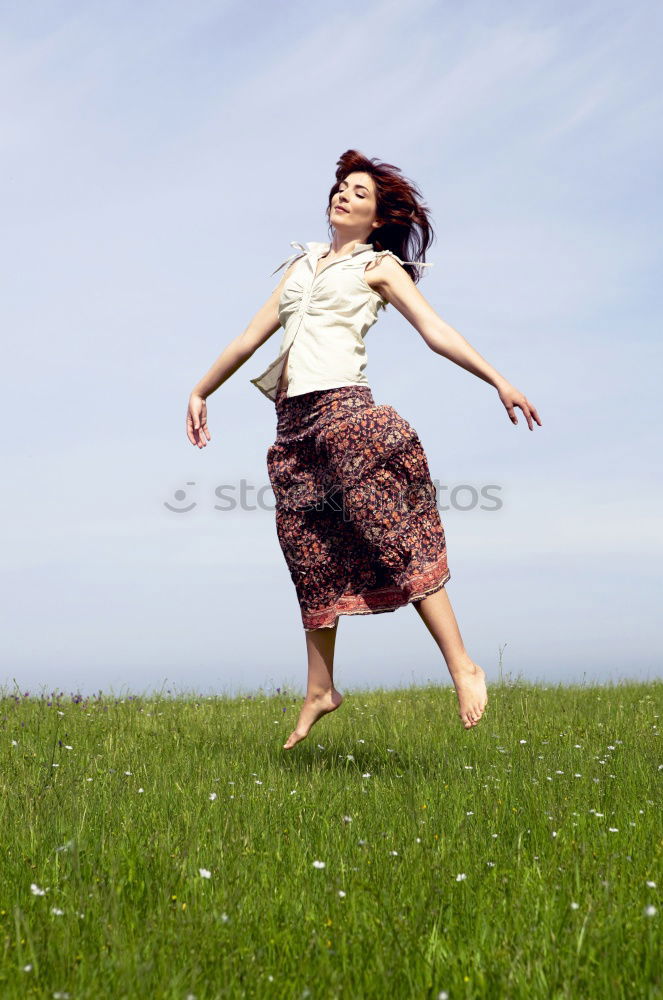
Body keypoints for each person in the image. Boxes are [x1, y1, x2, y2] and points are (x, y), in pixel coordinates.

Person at [186, 149, 542, 748]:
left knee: (390, 531)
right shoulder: (300, 268)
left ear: (377, 218)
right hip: (293, 427)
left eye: (359, 193)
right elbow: (250, 339)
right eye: (340, 188)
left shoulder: (378, 268)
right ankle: (320, 689)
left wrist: (498, 379)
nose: (343, 195)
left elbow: (436, 331)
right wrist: (201, 390)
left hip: (347, 414)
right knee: (308, 553)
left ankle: (462, 664)